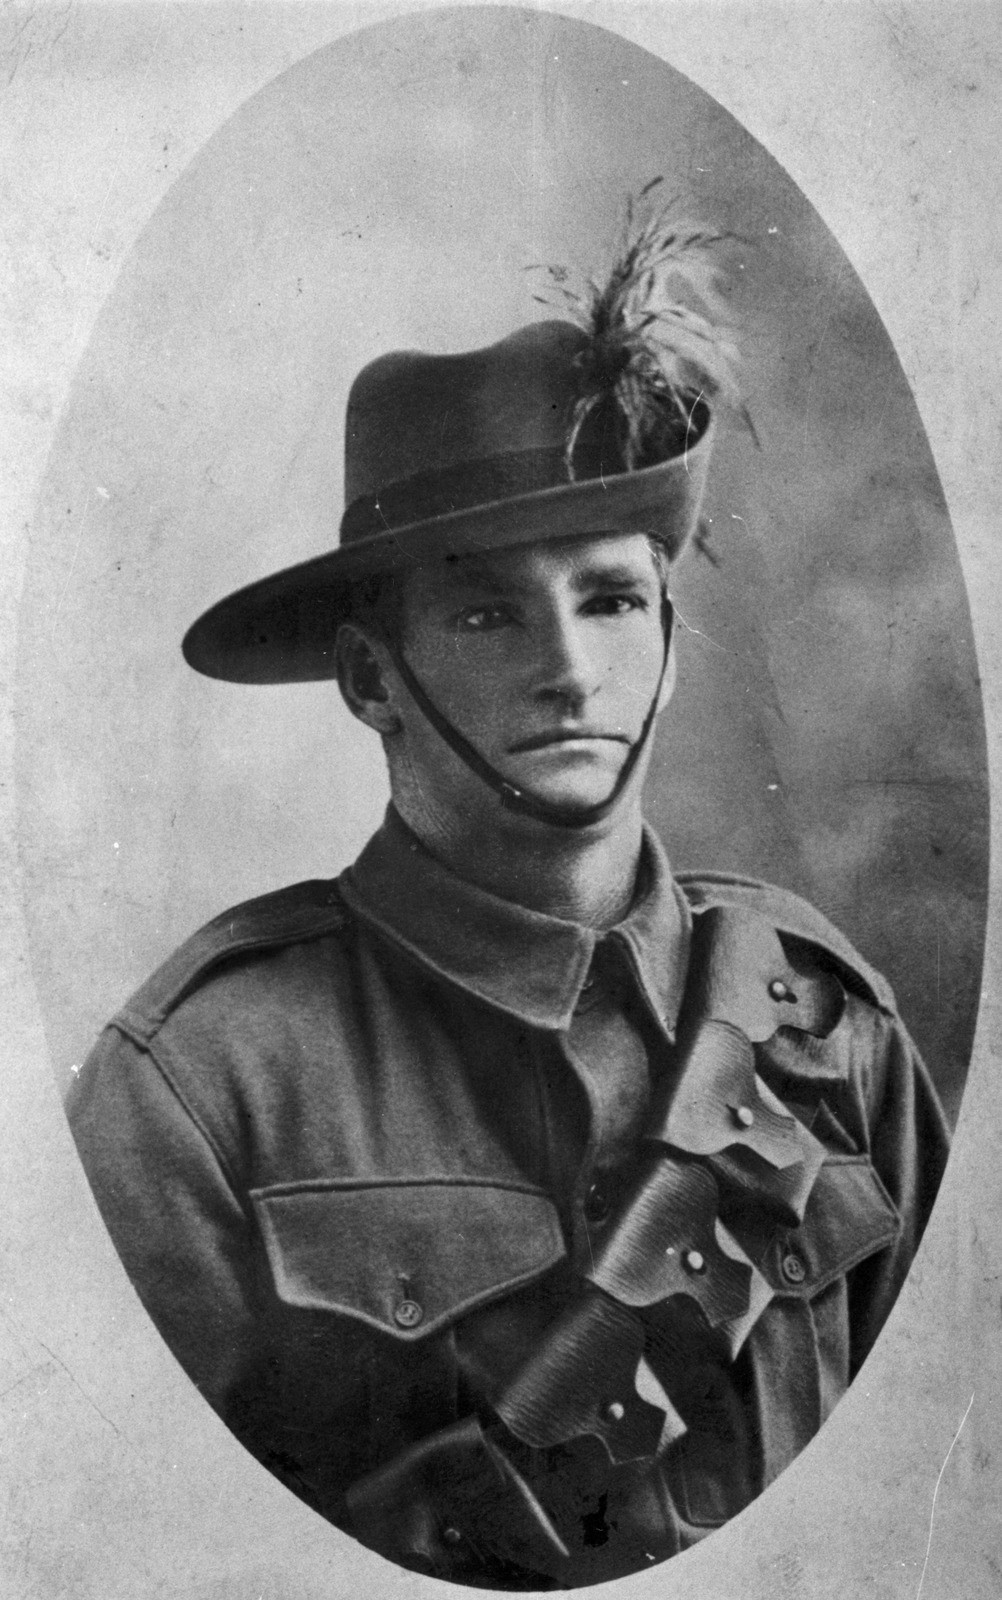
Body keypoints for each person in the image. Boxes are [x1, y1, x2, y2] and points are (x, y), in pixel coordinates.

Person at [67, 207, 949, 1590]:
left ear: (669, 643)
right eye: (485, 616)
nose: (566, 668)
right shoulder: (200, 1083)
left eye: (607, 601)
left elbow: (950, 1481)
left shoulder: (822, 1015)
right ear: (370, 679)